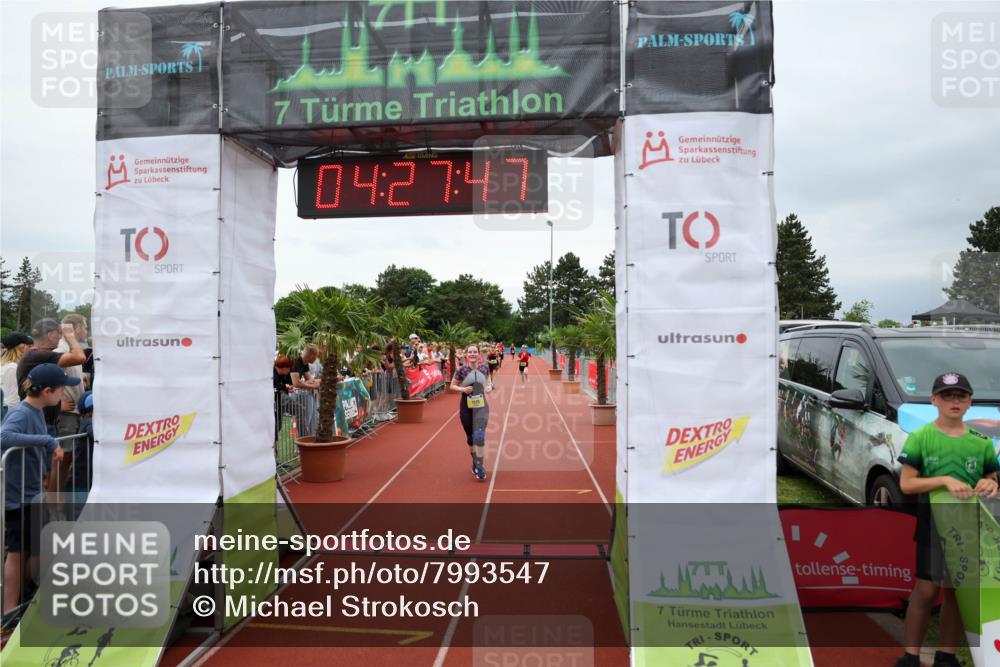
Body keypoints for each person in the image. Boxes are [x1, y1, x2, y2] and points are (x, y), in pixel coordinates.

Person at [892, 372, 999, 667]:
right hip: (933, 522)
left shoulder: (981, 442)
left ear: (970, 402)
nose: (955, 401)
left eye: (961, 396)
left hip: (968, 526)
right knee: (927, 590)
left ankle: (947, 656)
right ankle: (910, 656)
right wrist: (944, 480)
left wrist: (990, 484)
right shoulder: (921, 437)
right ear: (934, 400)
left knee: (955, 592)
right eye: (947, 395)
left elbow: (991, 480)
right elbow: (907, 484)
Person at [1, 364, 73, 622]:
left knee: (37, 547)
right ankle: (9, 610)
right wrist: (47, 442)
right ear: (47, 391)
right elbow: (4, 437)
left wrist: (44, 471)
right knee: (18, 552)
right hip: (18, 496)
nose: (64, 394)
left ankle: (27, 599)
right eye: (61, 389)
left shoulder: (37, 411)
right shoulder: (22, 412)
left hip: (32, 492)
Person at [16, 319, 86, 437]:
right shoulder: (37, 355)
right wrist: (70, 336)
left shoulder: (35, 355)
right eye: (59, 332)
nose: (61, 336)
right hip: (40, 423)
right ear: (50, 335)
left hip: (42, 421)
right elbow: (79, 357)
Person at [449, 345, 493, 481]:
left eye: (475, 352)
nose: (472, 354)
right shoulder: (461, 370)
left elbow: (489, 381)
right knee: (471, 439)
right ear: (466, 354)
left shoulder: (484, 368)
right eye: (470, 352)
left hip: (481, 406)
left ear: (479, 354)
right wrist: (463, 389)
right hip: (466, 407)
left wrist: (489, 387)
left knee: (479, 436)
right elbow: (452, 385)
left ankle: (480, 465)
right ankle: (475, 460)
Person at [54, 314, 88, 438]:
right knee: (66, 449)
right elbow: (48, 381)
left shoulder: (71, 350)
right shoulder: (61, 351)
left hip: (74, 412)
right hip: (67, 414)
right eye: (85, 328)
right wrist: (58, 405)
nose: (86, 331)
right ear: (77, 328)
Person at [290, 345, 321, 437]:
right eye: (316, 356)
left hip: (301, 394)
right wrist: (312, 386)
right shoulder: (296, 362)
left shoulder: (305, 363)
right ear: (311, 355)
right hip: (295, 394)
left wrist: (307, 383)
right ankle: (302, 442)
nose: (316, 359)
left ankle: (309, 439)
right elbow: (296, 383)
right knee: (304, 421)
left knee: (311, 420)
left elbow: (310, 379)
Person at [1, 332, 33, 415]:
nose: (30, 349)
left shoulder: (8, 365)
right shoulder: (12, 367)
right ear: (22, 347)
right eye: (29, 346)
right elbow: (13, 398)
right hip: (9, 411)